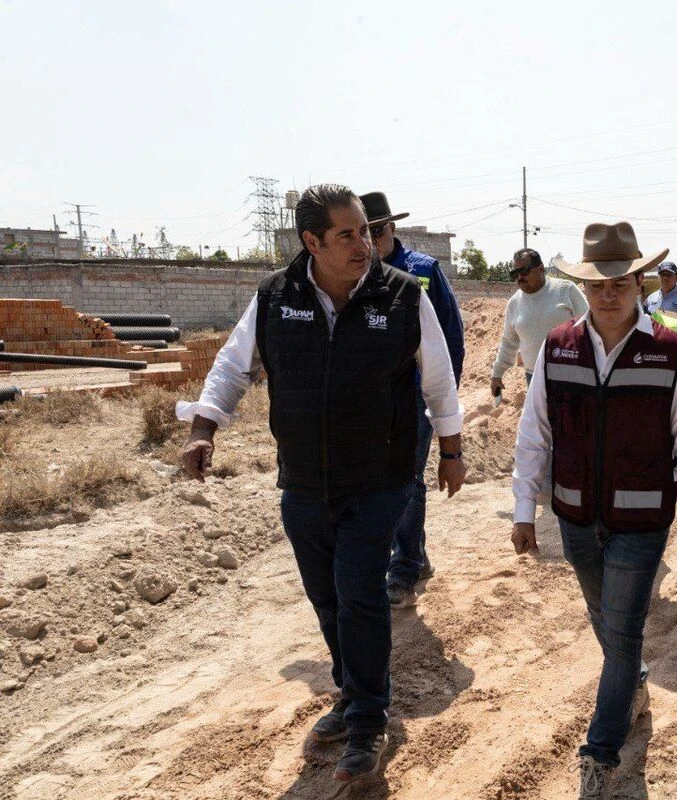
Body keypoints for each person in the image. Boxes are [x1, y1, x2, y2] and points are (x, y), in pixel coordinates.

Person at [176, 185, 466, 783]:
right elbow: (234, 365)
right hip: (304, 479)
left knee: (359, 590)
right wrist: (205, 428)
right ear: (312, 241)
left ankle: (367, 722)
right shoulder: (275, 297)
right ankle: (353, 690)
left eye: (366, 231)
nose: (365, 244)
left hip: (380, 476)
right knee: (327, 597)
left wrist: (451, 449)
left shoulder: (405, 295)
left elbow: (437, 379)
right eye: (349, 235)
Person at [510, 222, 677, 799]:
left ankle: (599, 753)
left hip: (642, 522)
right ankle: (635, 684)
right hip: (574, 519)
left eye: (620, 281)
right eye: (596, 283)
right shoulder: (558, 346)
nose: (607, 293)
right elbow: (535, 435)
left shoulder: (669, 351)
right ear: (582, 285)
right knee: (608, 626)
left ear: (640, 282)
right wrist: (524, 508)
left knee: (621, 637)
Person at [361, 191, 465, 607]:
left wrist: (444, 403)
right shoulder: (355, 276)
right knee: (383, 481)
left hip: (418, 400)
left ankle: (403, 568)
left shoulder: (423, 271)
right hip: (373, 403)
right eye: (362, 234)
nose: (370, 242)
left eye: (377, 231)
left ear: (392, 229)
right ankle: (414, 557)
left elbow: (451, 337)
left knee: (407, 480)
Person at [491, 248, 589, 393]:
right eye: (515, 273)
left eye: (524, 271)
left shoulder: (566, 290)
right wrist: (497, 373)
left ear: (541, 268)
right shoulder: (514, 303)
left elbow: (591, 327)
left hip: (571, 375)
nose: (519, 277)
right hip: (533, 377)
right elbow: (509, 341)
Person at [644, 261, 677, 342]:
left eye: (669, 274)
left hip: (673, 348)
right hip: (651, 346)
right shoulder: (651, 298)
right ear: (658, 277)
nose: (665, 277)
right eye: (662, 274)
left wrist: (660, 320)